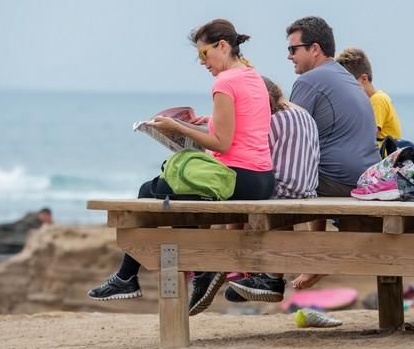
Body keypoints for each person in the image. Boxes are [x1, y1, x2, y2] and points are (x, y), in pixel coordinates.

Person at [87, 19, 275, 316]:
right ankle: (190, 272)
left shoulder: (224, 82)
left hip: (237, 178)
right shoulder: (252, 76)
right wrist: (204, 120)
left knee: (152, 191)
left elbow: (221, 144)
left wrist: (178, 127)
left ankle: (133, 276)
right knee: (170, 195)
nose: (203, 63)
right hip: (262, 179)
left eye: (204, 54)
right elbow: (242, 128)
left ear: (222, 46)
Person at [232, 17, 382, 297]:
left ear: (315, 49)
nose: (289, 57)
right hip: (363, 176)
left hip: (338, 178)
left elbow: (289, 132)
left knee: (271, 182)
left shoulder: (310, 81)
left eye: (293, 49)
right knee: (295, 173)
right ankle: (300, 262)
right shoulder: (343, 76)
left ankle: (269, 275)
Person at [224, 77, 320, 302]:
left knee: (230, 184)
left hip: (282, 189)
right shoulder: (302, 114)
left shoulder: (270, 122)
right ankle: (262, 275)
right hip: (306, 188)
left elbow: (244, 158)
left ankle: (231, 263)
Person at [336, 47, 402, 143]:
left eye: (349, 84)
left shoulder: (378, 100)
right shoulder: (370, 102)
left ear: (364, 79)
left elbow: (367, 137)